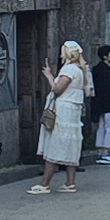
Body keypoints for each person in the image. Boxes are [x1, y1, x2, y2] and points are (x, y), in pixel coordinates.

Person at [33, 40, 87, 193]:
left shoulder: (69, 69)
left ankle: (45, 184)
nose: (61, 56)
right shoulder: (79, 69)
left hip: (64, 110)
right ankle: (70, 182)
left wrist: (49, 76)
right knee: (70, 144)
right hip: (73, 111)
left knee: (55, 144)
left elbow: (57, 89)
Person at [89, 43, 110, 163]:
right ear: (105, 56)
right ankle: (105, 152)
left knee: (102, 128)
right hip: (109, 104)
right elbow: (107, 89)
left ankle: (100, 153)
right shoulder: (106, 71)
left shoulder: (97, 69)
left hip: (99, 104)